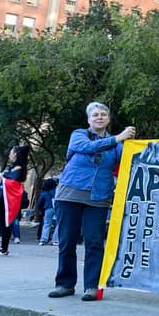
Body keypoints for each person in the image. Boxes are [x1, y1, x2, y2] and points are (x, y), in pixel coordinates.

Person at [49, 102, 134, 301]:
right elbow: (85, 148)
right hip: (70, 194)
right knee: (67, 240)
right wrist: (118, 137)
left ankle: (92, 286)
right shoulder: (80, 135)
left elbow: (132, 159)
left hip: (98, 197)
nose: (99, 117)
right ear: (89, 119)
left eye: (103, 114)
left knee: (94, 242)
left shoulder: (117, 146)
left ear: (108, 119)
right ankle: (65, 284)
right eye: (95, 114)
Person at [0, 145, 31, 257]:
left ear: (16, 154)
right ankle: (3, 248)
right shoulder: (13, 168)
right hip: (3, 199)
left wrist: (2, 177)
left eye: (11, 152)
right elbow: (0, 180)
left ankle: (4, 248)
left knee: (5, 225)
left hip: (8, 201)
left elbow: (12, 183)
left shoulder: (19, 168)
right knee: (4, 224)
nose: (9, 154)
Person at [36, 178, 58, 245]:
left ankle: (43, 239)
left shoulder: (45, 192)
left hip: (48, 208)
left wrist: (41, 209)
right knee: (58, 224)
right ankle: (55, 240)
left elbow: (39, 203)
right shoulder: (57, 191)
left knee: (46, 224)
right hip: (57, 208)